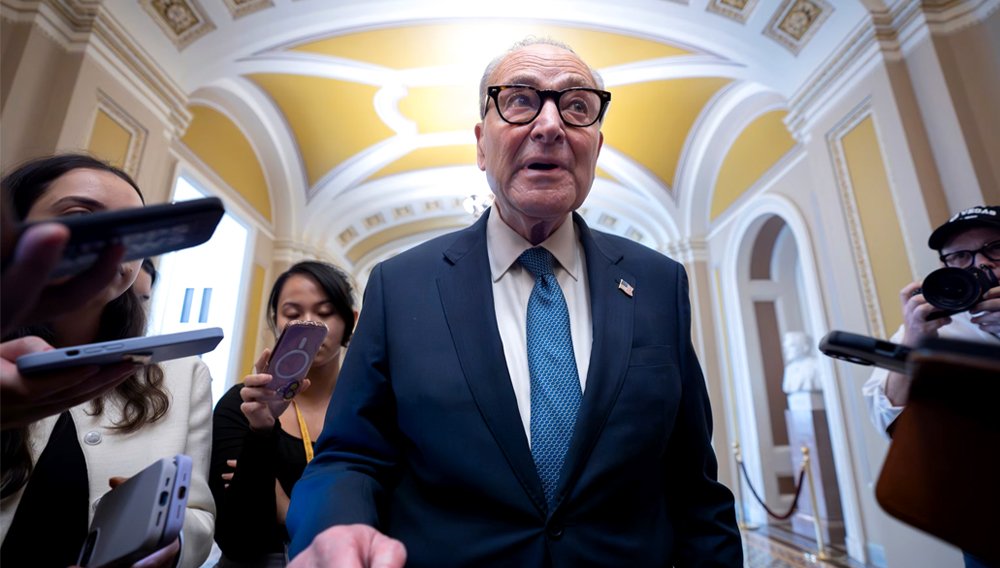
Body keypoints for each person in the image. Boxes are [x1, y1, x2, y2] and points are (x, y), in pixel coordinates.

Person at [285, 38, 742, 567]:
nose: (550, 126)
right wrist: (336, 530)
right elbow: (350, 456)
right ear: (482, 145)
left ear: (596, 144)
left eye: (576, 107)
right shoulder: (399, 285)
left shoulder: (659, 284)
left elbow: (693, 489)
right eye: (520, 101)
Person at [0, 154, 216, 568]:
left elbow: (198, 518)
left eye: (135, 231)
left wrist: (168, 545)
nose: (115, 242)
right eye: (82, 215)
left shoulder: (183, 375)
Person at [862, 205, 999, 568]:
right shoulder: (934, 327)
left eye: (995, 248)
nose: (979, 265)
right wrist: (913, 342)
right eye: (960, 256)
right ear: (944, 266)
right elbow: (890, 421)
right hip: (988, 516)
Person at [211, 261, 357, 567]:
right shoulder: (242, 405)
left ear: (351, 321)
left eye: (324, 312)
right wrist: (260, 431)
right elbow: (237, 533)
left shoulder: (370, 405)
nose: (309, 323)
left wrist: (286, 510)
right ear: (276, 321)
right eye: (292, 314)